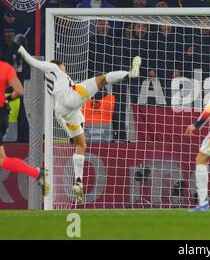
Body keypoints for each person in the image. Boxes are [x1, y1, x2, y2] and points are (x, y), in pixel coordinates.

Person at [17, 45, 141, 204]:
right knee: (101, 79)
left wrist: (71, 133)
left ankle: (78, 182)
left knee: (81, 144)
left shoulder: (56, 81)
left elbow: (60, 114)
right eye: (64, 66)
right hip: (70, 97)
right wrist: (21, 48)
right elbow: (35, 63)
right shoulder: (52, 67)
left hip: (66, 111)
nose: (65, 68)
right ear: (59, 65)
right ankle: (130, 74)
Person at [0, 56, 47, 194]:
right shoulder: (6, 68)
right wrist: (7, 97)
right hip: (2, 114)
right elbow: (20, 91)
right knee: (2, 160)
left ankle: (36, 172)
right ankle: (36, 172)